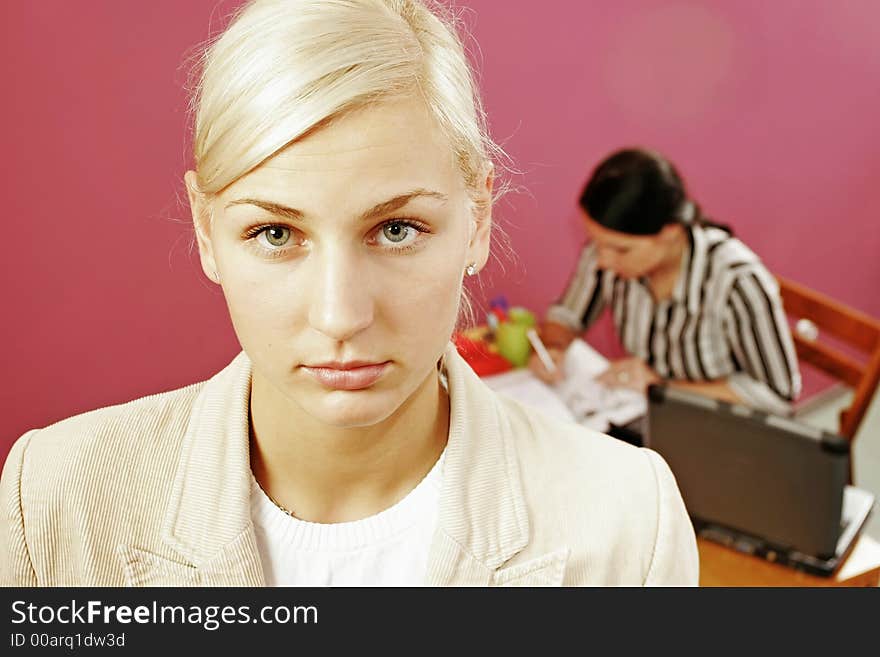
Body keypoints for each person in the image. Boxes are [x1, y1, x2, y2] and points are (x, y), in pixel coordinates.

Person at [1, 0, 697, 587]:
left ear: (477, 218)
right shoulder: (54, 498)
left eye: (396, 229)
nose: (341, 315)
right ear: (206, 229)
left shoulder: (629, 522)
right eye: (276, 233)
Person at [531, 148, 801, 417]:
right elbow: (567, 317)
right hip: (647, 417)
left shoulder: (737, 281)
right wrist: (554, 349)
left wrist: (659, 386)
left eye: (621, 249)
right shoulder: (606, 255)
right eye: (597, 243)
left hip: (722, 430)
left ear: (670, 231)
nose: (602, 261)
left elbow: (777, 396)